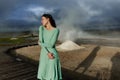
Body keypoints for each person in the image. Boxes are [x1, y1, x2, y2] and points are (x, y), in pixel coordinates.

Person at [37, 13, 62, 80]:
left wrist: (40, 43)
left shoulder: (56, 30)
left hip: (52, 55)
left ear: (48, 19)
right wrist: (47, 53)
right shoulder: (41, 28)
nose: (41, 21)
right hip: (44, 54)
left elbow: (51, 44)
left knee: (52, 76)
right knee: (43, 75)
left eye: (43, 19)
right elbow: (42, 42)